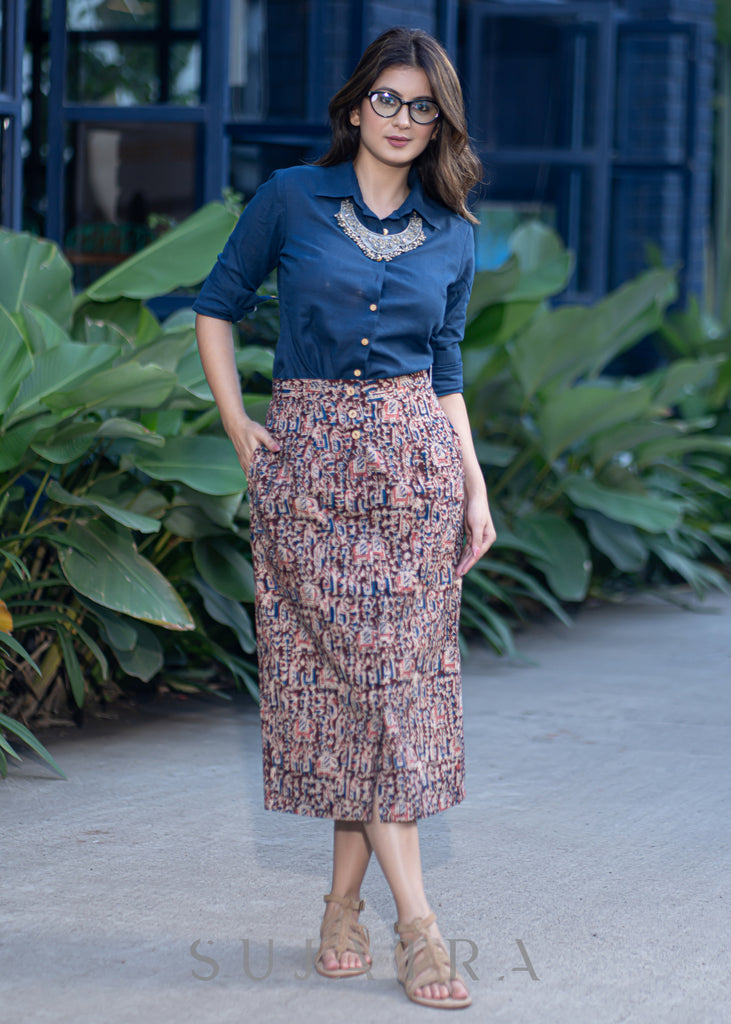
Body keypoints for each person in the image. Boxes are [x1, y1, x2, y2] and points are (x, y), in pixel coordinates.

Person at [193, 26, 496, 1011]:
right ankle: (418, 925)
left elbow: (444, 371)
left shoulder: (453, 233)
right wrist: (240, 423)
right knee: (351, 688)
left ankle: (346, 909)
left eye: (422, 107)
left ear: (437, 119)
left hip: (416, 474)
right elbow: (216, 305)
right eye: (387, 100)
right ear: (354, 103)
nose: (402, 121)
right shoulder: (288, 198)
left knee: (382, 692)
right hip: (310, 475)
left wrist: (475, 485)